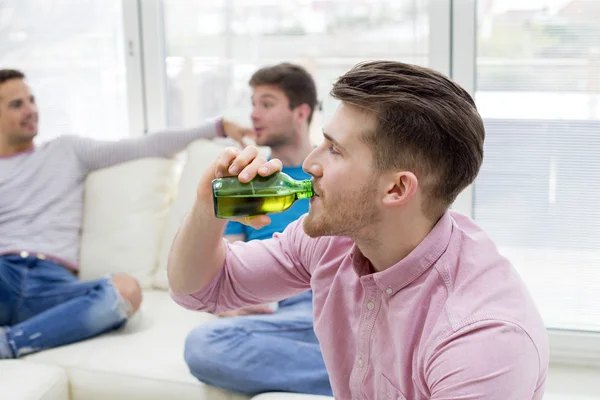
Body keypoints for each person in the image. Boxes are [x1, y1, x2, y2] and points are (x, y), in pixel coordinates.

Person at [168, 61, 549, 399]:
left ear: (397, 189)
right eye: (321, 143)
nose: (309, 163)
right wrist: (207, 207)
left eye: (335, 150)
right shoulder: (332, 239)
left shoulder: (480, 342)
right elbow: (201, 289)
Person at [0, 68, 252, 359]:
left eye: (32, 100)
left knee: (126, 290)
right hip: (4, 273)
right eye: (17, 104)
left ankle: (10, 344)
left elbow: (147, 145)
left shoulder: (66, 150)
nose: (31, 110)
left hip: (54, 283)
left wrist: (216, 127)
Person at [183, 63, 332, 396]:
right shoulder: (248, 180)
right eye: (252, 104)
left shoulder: (330, 173)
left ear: (301, 112)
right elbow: (225, 262)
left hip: (331, 292)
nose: (254, 115)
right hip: (277, 303)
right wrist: (233, 304)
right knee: (203, 346)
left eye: (266, 104)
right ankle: (376, 377)